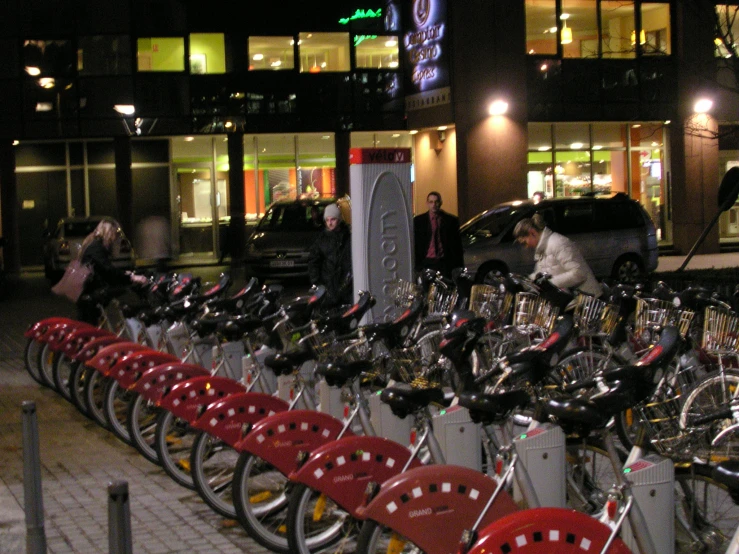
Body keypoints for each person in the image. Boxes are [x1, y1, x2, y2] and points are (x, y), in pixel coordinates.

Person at [513, 213, 602, 297]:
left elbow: (579, 273)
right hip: (573, 299)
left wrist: (550, 284)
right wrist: (526, 282)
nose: (526, 246)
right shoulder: (542, 248)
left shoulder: (558, 243)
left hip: (588, 300)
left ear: (532, 233)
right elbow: (542, 273)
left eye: (525, 242)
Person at [77, 219, 148, 323]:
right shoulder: (96, 247)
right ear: (109, 232)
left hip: (88, 292)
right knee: (128, 295)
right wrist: (131, 277)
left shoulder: (94, 244)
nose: (116, 238)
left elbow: (105, 269)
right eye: (115, 233)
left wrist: (124, 274)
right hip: (92, 293)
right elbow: (108, 270)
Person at [307, 203, 353, 308]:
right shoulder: (322, 239)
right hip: (328, 284)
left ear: (339, 219)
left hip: (346, 286)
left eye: (333, 219)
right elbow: (313, 261)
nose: (330, 223)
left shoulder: (347, 237)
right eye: (327, 220)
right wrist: (316, 282)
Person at [413, 191, 464, 278]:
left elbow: (457, 245)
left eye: (436, 202)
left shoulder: (451, 221)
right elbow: (416, 244)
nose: (434, 205)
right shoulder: (418, 221)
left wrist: (459, 266)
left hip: (444, 262)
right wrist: (417, 266)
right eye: (431, 202)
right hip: (427, 262)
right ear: (427, 203)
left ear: (440, 203)